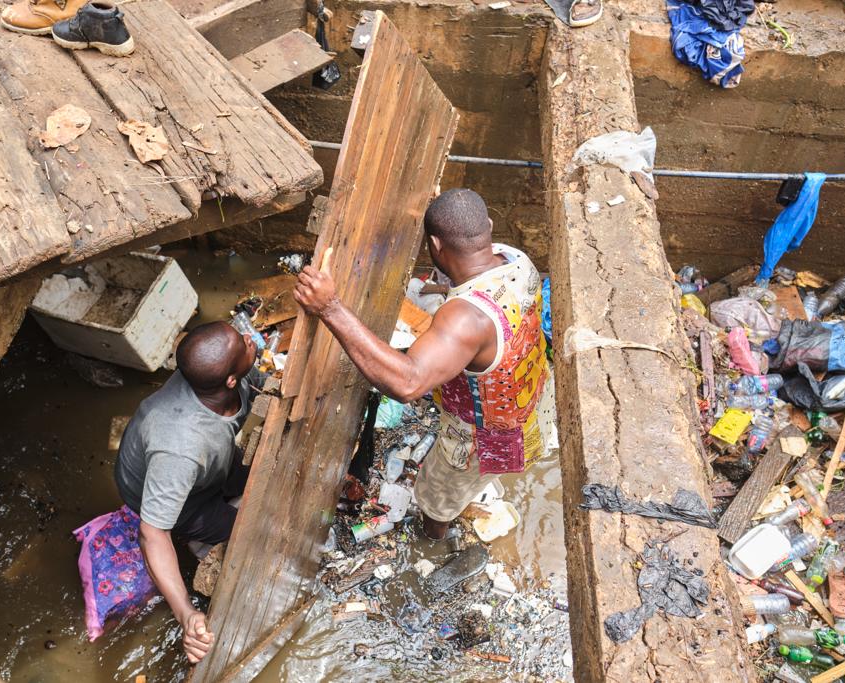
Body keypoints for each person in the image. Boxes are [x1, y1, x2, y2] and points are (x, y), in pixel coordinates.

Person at [293, 188, 556, 540]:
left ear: (435, 243)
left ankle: (434, 539)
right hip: (532, 400)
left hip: (485, 436)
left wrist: (331, 308)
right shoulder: (516, 259)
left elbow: (408, 384)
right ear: (488, 227)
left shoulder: (466, 319)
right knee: (489, 467)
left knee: (435, 498)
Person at [113, 321, 263, 664]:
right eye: (243, 344)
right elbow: (152, 532)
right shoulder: (178, 449)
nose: (247, 338)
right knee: (243, 530)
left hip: (207, 468)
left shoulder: (228, 379)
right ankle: (195, 541)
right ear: (228, 379)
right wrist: (186, 613)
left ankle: (218, 493)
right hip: (177, 495)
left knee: (244, 477)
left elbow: (262, 385)